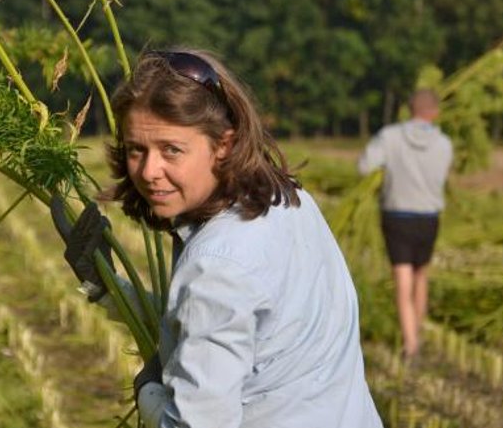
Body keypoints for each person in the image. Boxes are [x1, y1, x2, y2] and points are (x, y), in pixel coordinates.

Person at [52, 49, 383, 428]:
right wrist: (108, 289)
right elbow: (221, 325)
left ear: (223, 145)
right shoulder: (286, 198)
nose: (149, 171)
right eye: (136, 149)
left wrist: (148, 393)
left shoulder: (218, 264)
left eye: (171, 149)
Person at [357, 89, 453, 361]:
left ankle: (411, 346)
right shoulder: (445, 144)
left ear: (410, 109)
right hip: (429, 217)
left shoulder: (390, 136)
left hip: (398, 216)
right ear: (434, 113)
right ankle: (417, 332)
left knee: (403, 279)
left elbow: (364, 166)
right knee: (421, 275)